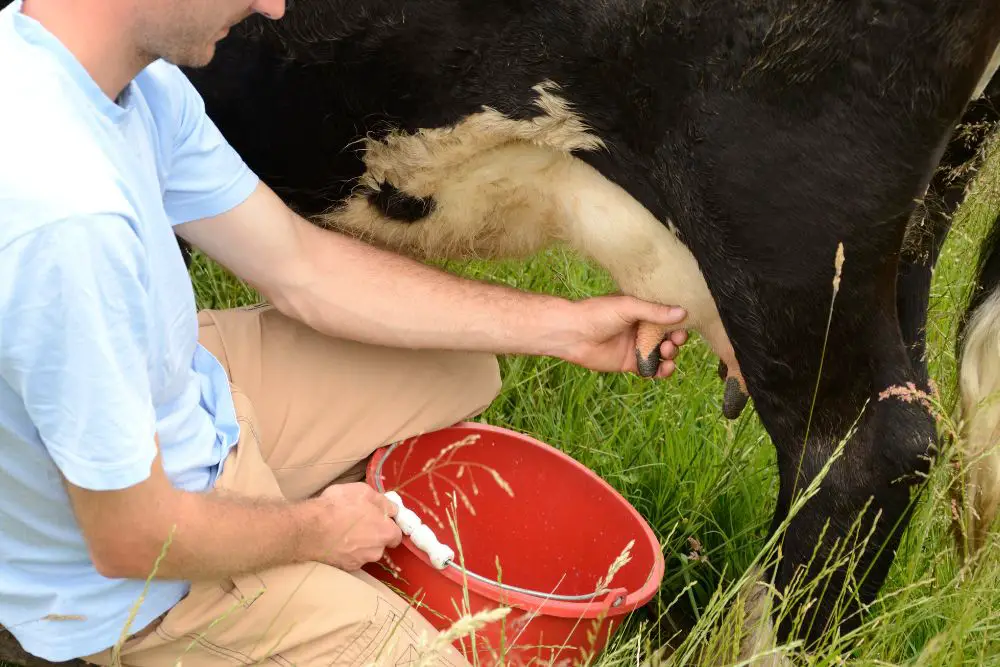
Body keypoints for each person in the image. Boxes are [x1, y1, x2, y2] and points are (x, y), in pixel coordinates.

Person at [0, 0, 689, 664]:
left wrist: (566, 327)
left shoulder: (115, 78)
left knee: (459, 368)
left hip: (181, 391)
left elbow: (300, 266)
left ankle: (276, 518)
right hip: (136, 580)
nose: (272, 8)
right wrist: (316, 531)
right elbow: (129, 538)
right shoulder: (66, 215)